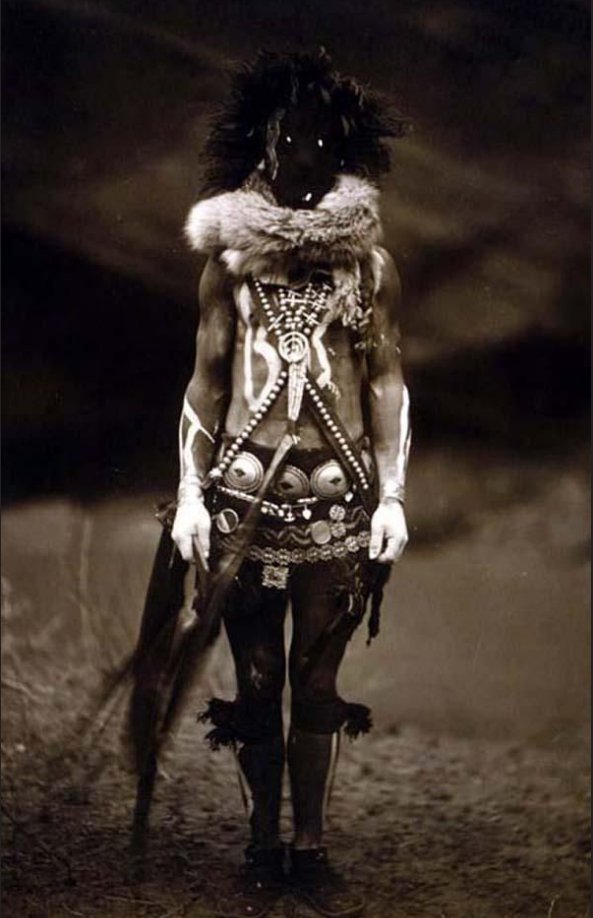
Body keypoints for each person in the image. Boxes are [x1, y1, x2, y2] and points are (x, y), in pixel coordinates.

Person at [171, 49, 412, 918]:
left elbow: (386, 382)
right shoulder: (230, 266)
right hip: (239, 500)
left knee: (314, 682)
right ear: (259, 149)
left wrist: (389, 497)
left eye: (314, 144)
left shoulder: (368, 268)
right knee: (260, 679)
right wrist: (192, 496)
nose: (296, 158)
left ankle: (307, 845)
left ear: (338, 153)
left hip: (338, 505)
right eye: (283, 141)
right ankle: (260, 840)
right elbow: (205, 382)